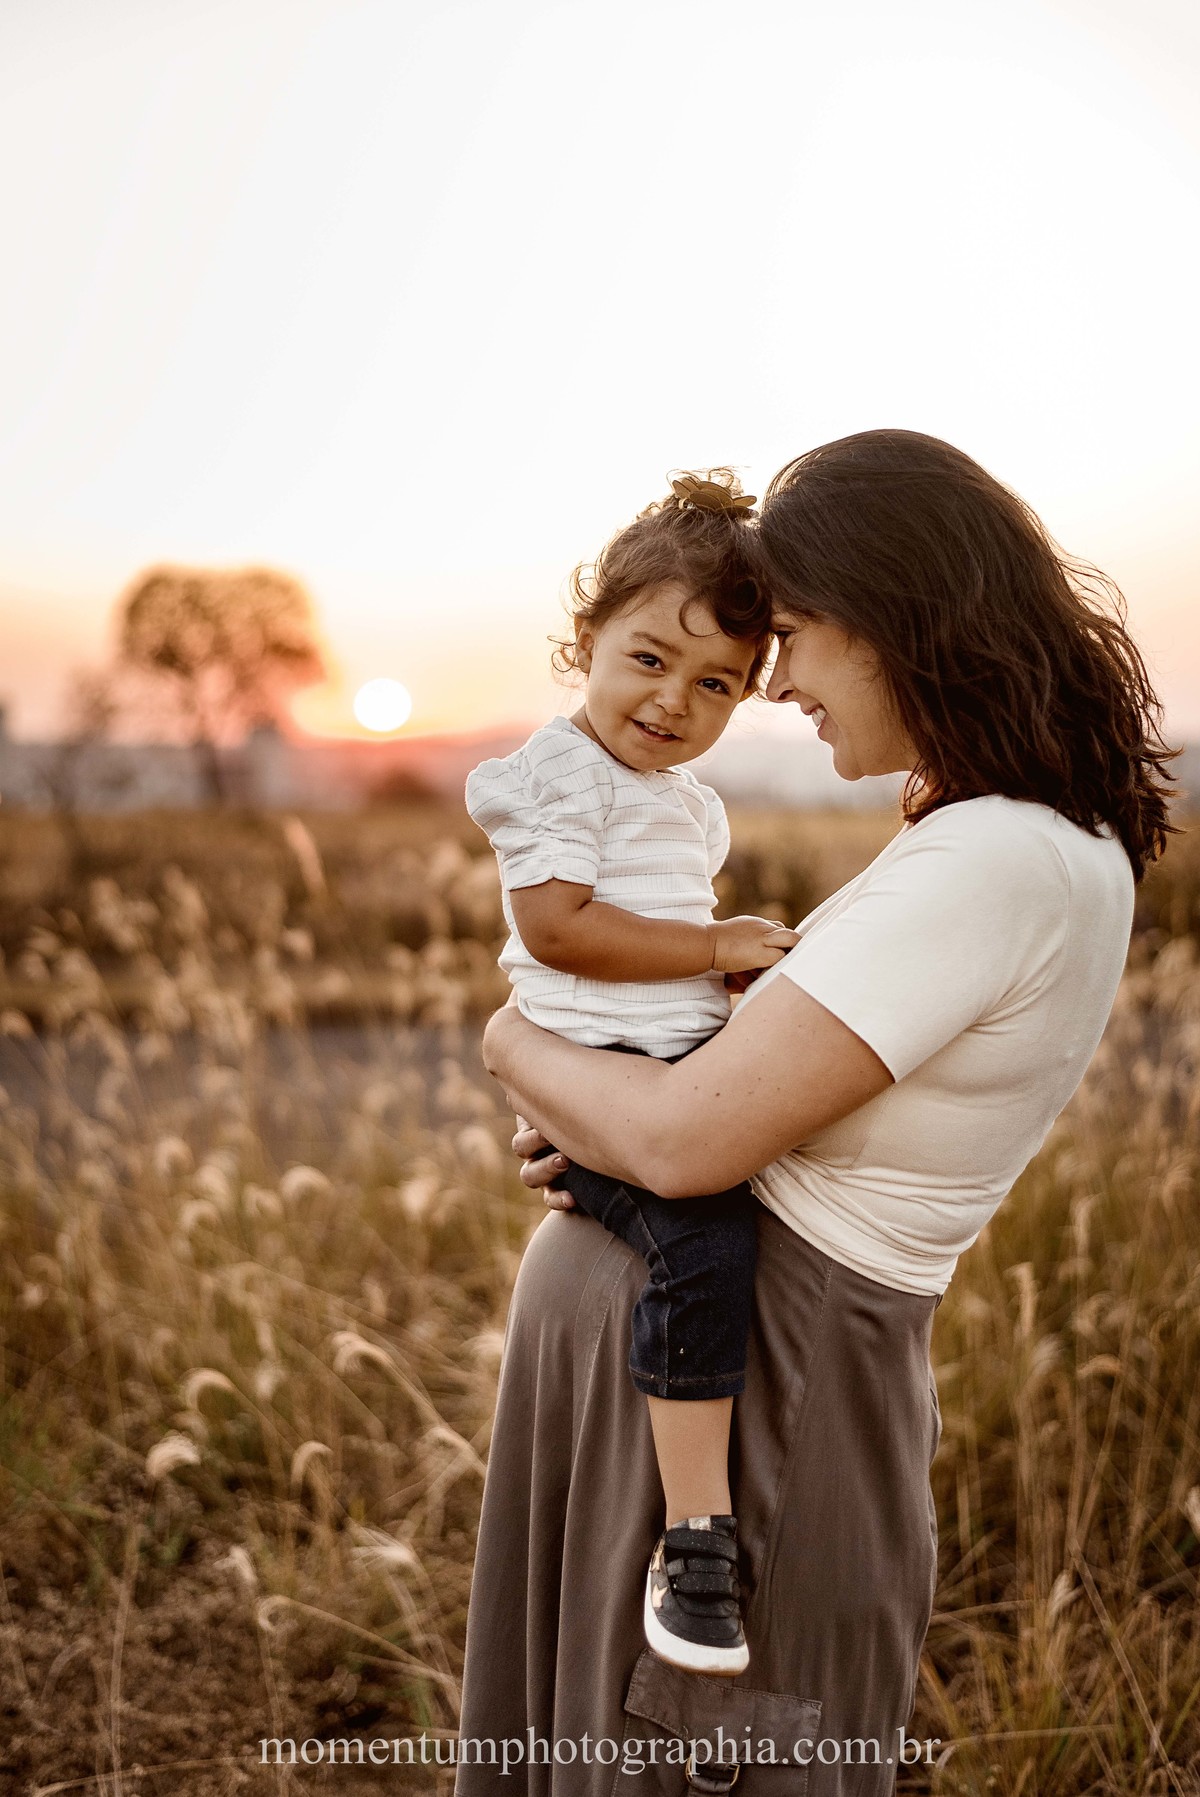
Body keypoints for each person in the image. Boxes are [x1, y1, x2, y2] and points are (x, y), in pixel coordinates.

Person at [456, 430, 1174, 1797]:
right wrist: (593, 1094)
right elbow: (706, 1094)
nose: (778, 685)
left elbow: (681, 1138)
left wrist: (513, 1039)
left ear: (896, 619)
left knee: (714, 1756)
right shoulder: (1011, 839)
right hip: (727, 1381)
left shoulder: (998, 857)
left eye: (791, 638)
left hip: (772, 1396)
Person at [464, 470, 798, 1677]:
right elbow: (557, 929)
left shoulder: (684, 805)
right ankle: (696, 1538)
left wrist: (733, 984)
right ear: (586, 638)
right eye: (648, 657)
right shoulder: (555, 776)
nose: (674, 700)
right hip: (604, 1068)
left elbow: (660, 947)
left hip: (664, 1057)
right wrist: (715, 949)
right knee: (700, 1235)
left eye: (715, 684)